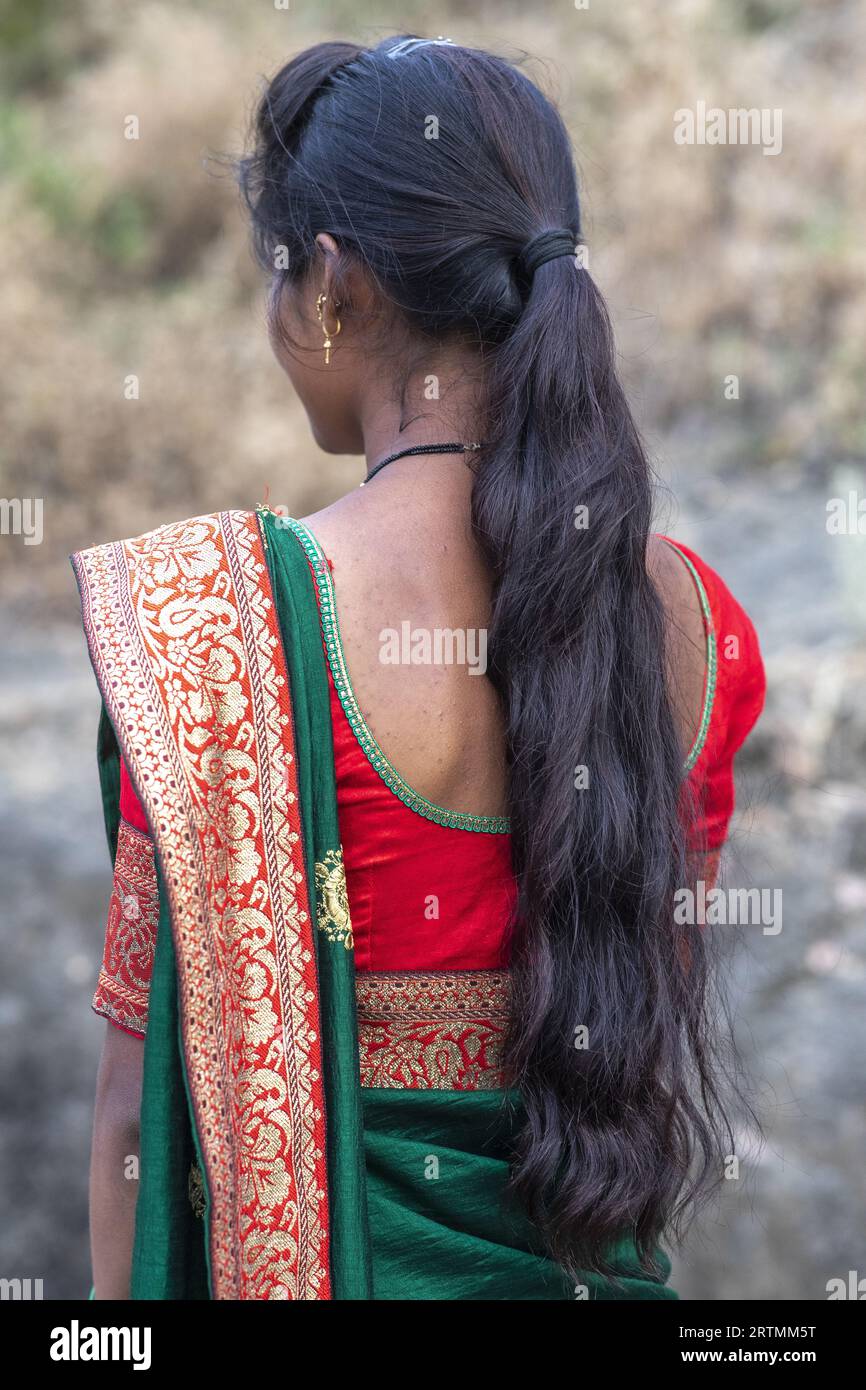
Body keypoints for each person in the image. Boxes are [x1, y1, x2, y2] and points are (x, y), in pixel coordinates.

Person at [74, 34, 766, 1301]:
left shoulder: (208, 631)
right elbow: (637, 1057)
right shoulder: (698, 625)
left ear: (329, 287)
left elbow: (132, 1118)